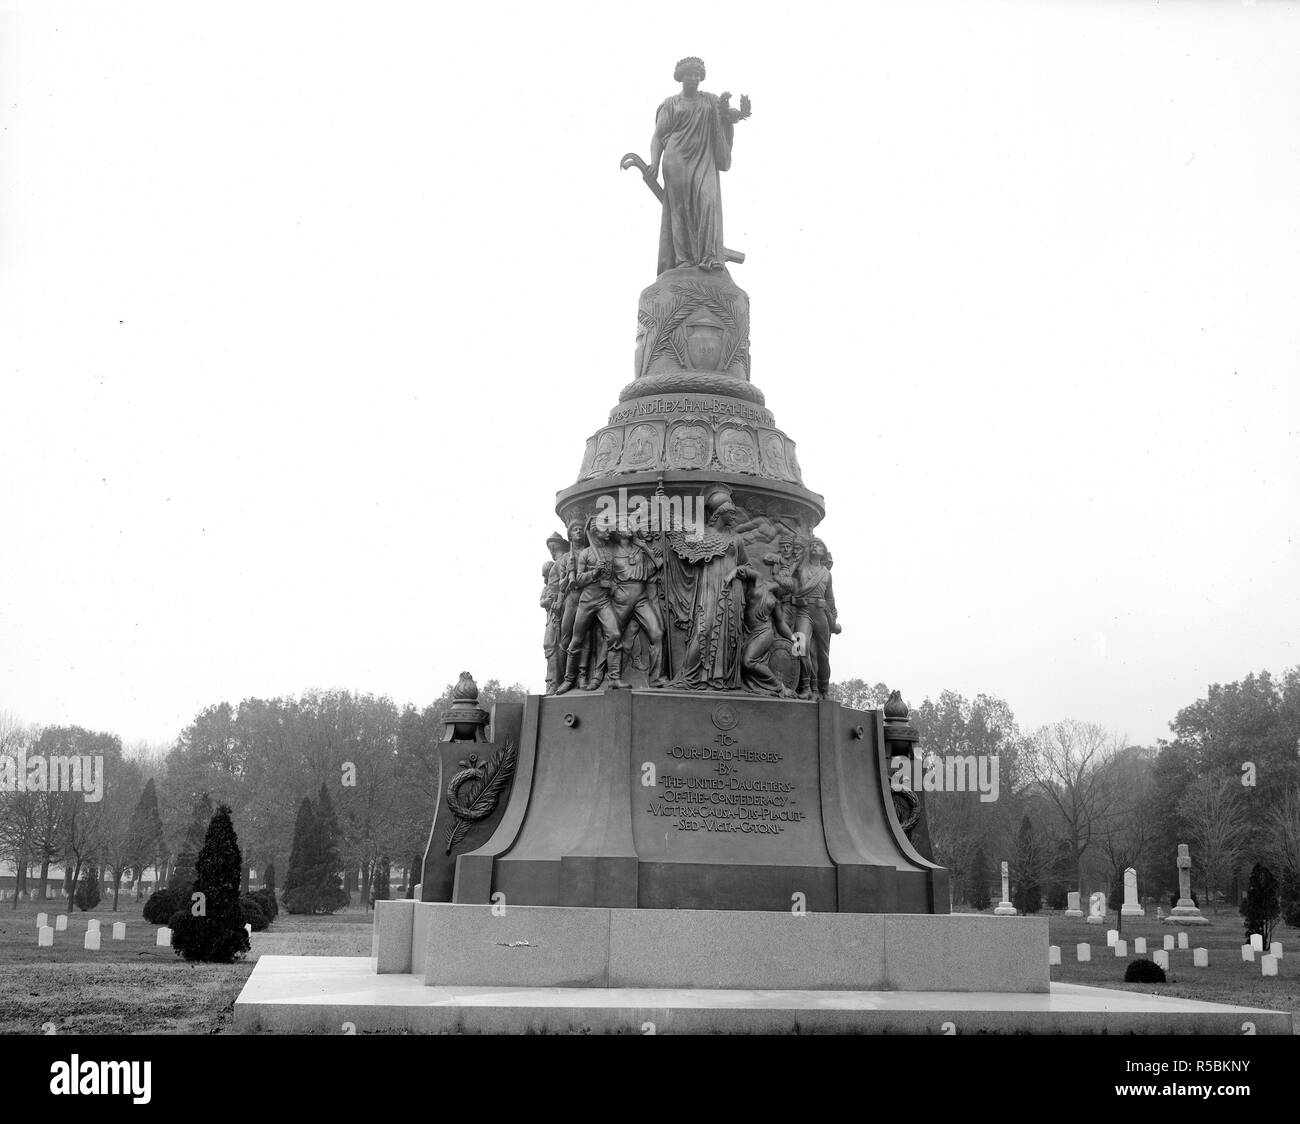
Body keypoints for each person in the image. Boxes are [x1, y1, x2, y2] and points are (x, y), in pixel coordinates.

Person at [647, 57, 750, 274]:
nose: (693, 78)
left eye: (697, 74)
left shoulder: (710, 101)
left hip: (704, 159)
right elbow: (658, 136)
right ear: (681, 77)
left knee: (708, 202)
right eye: (689, 74)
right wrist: (654, 163)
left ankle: (709, 256)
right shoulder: (670, 104)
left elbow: (726, 115)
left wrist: (739, 113)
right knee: (679, 209)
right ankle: (683, 260)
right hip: (676, 160)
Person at [663, 486, 750, 690]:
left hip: (732, 589)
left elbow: (747, 565)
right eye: (731, 513)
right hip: (709, 588)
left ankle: (722, 680)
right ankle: (689, 677)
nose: (734, 517)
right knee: (705, 628)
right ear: (719, 513)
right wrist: (663, 508)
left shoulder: (736, 539)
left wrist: (737, 572)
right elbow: (679, 538)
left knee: (729, 633)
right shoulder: (701, 535)